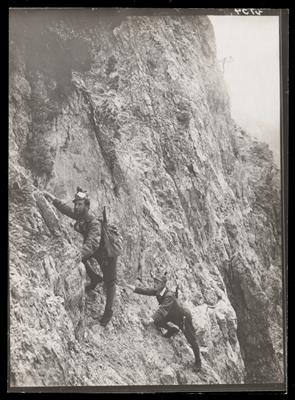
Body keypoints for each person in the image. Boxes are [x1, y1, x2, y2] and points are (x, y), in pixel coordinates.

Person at [43, 188, 116, 326]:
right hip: (95, 250)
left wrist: (81, 253)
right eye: (76, 204)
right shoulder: (80, 216)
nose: (76, 207)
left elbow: (93, 243)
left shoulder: (94, 222)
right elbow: (65, 209)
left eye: (80, 204)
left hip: (107, 253)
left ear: (87, 206)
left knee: (110, 283)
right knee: (81, 257)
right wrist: (51, 197)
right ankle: (94, 278)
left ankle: (107, 314)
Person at [127, 274, 202, 371]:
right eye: (155, 282)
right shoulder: (160, 291)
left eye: (157, 282)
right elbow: (147, 291)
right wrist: (131, 287)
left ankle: (198, 362)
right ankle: (173, 330)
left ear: (163, 284)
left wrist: (149, 320)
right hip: (171, 314)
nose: (155, 284)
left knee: (191, 339)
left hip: (183, 317)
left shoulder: (169, 295)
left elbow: (162, 310)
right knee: (158, 322)